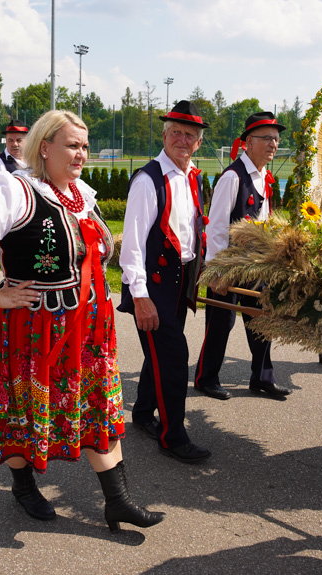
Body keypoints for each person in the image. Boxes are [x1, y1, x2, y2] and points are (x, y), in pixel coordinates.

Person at [0, 110, 163, 532]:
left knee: (98, 405)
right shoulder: (17, 190)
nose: (81, 153)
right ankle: (23, 486)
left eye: (84, 145)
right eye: (71, 144)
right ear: (44, 147)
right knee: (22, 408)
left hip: (90, 328)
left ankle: (118, 501)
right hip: (33, 327)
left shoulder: (83, 192)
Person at [118, 101, 211, 463]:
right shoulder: (148, 179)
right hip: (154, 286)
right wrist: (140, 297)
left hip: (179, 281)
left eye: (190, 135)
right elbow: (132, 246)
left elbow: (191, 232)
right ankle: (173, 436)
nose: (183, 140)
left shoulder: (191, 176)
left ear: (199, 143)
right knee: (174, 358)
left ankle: (142, 414)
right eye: (176, 132)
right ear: (164, 134)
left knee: (158, 354)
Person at [194, 112, 291, 401]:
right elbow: (217, 227)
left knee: (262, 319)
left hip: (255, 266)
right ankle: (206, 377)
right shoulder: (232, 177)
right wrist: (217, 271)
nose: (273, 144)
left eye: (276, 139)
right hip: (229, 265)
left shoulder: (264, 178)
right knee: (221, 323)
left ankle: (262, 378)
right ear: (248, 142)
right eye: (267, 138)